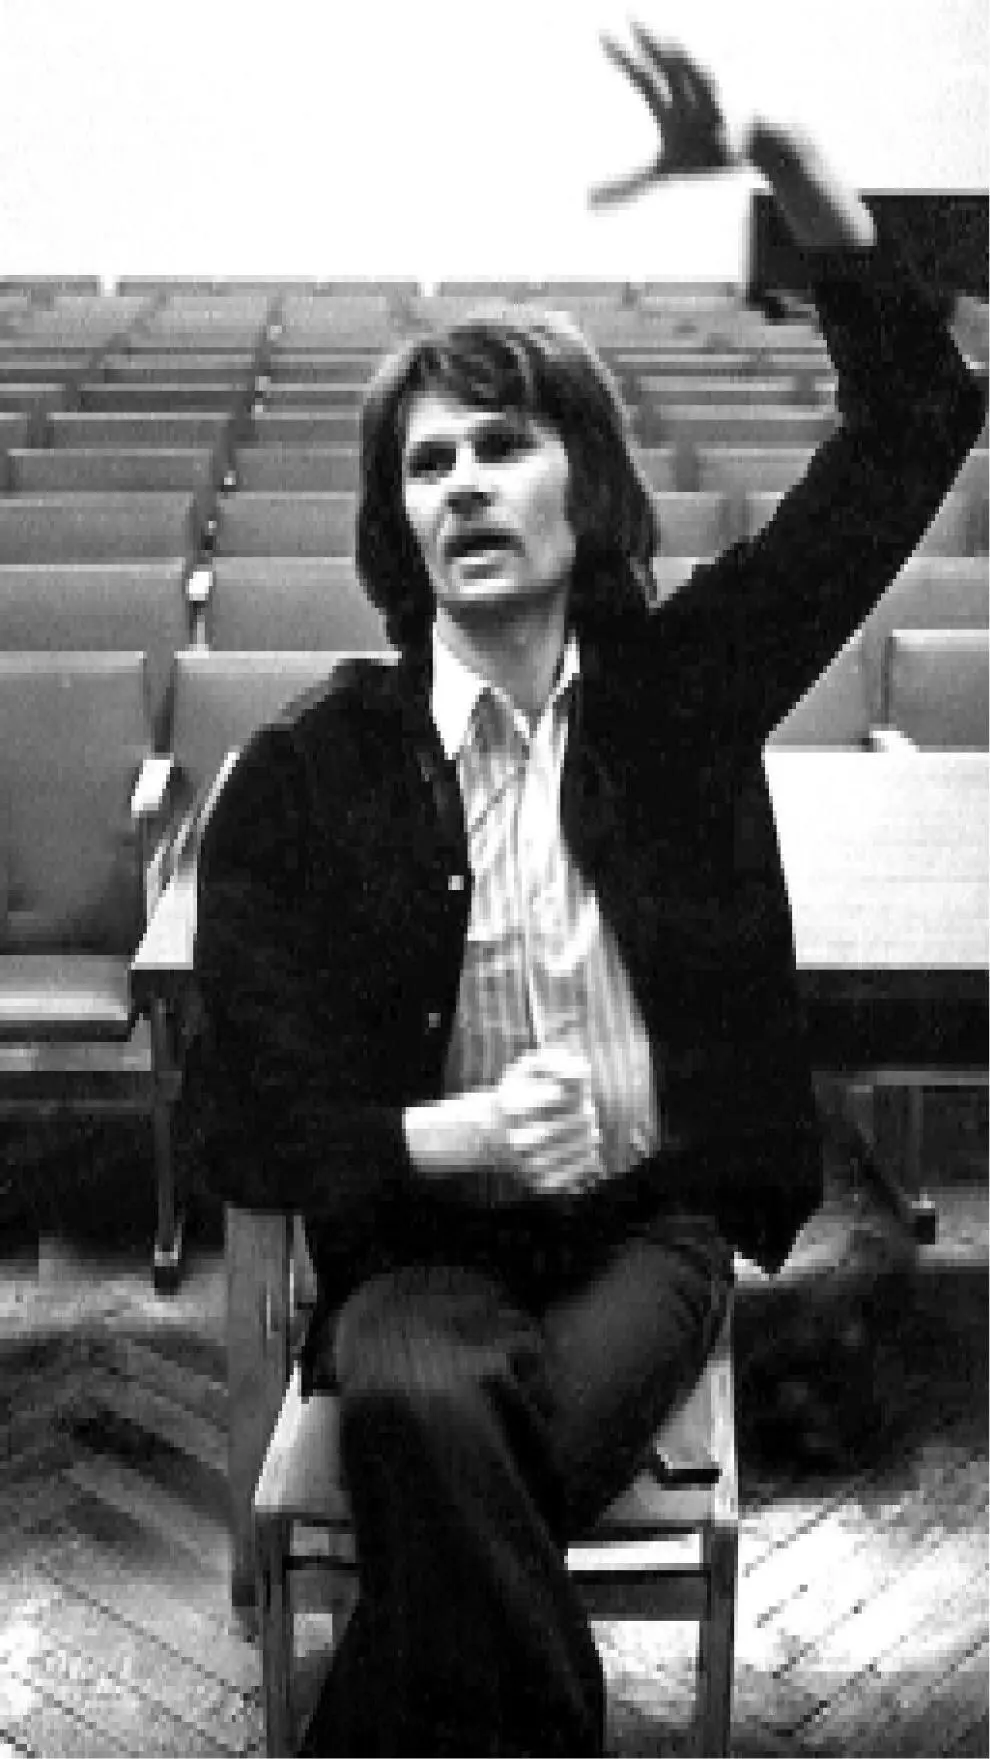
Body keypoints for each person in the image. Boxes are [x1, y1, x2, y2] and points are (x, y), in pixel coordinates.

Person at [186, 24, 986, 1757]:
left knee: (426, 1443)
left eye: (504, 444)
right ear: (398, 527)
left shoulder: (682, 695)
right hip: (416, 1257)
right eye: (427, 463)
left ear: (587, 487)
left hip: (645, 1233)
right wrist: (445, 1134)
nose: (464, 480)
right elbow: (241, 1107)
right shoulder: (311, 772)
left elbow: (913, 428)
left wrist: (805, 192)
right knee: (423, 1391)